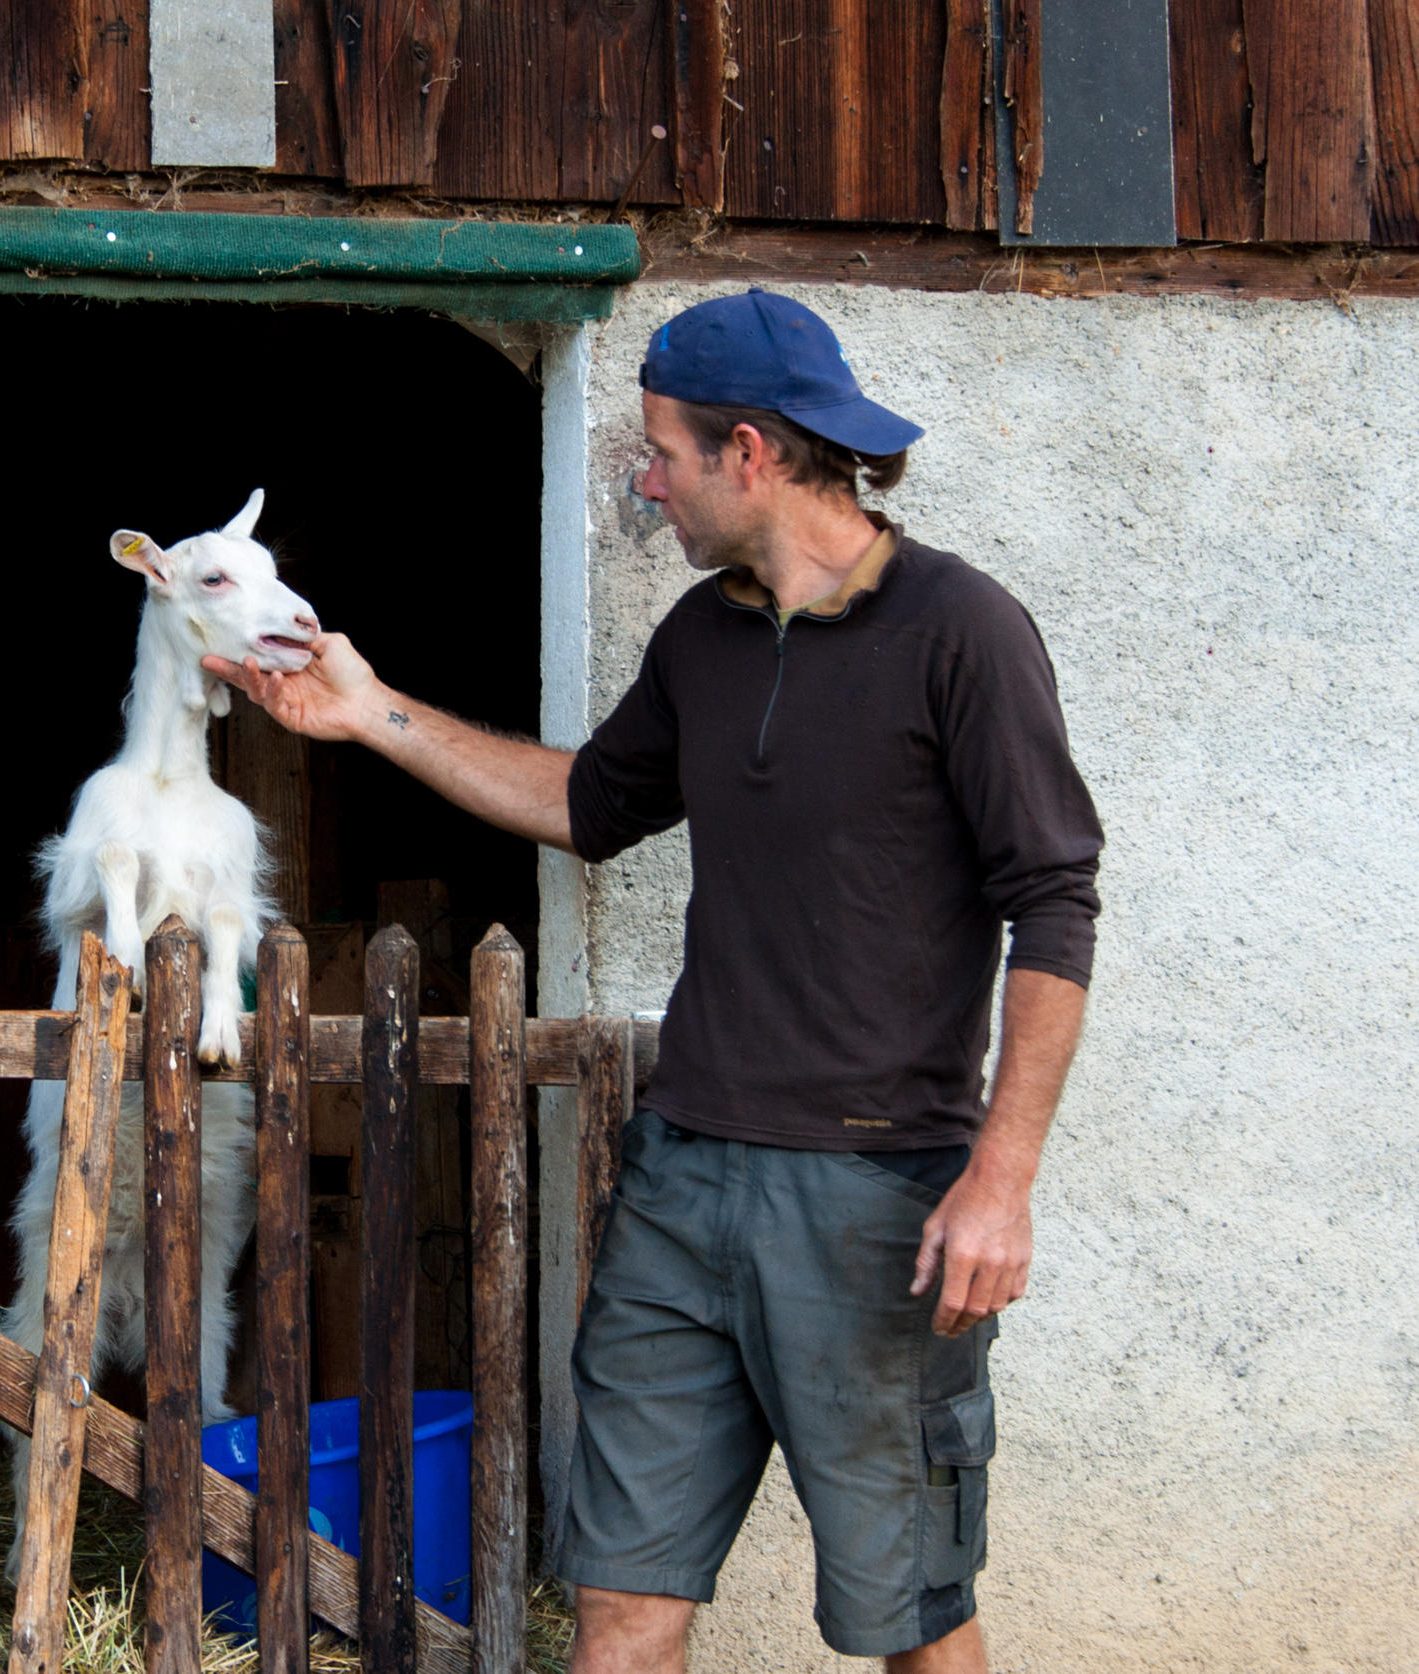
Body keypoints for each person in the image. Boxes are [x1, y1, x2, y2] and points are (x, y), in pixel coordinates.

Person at [204, 289, 1103, 1674]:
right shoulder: (702, 642)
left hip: (877, 1201)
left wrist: (1003, 1177)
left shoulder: (961, 633)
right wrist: (367, 711)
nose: (643, 477)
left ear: (750, 451)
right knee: (622, 1606)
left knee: (910, 1615)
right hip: (684, 1185)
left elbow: (1054, 902)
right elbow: (587, 800)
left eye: (661, 451)